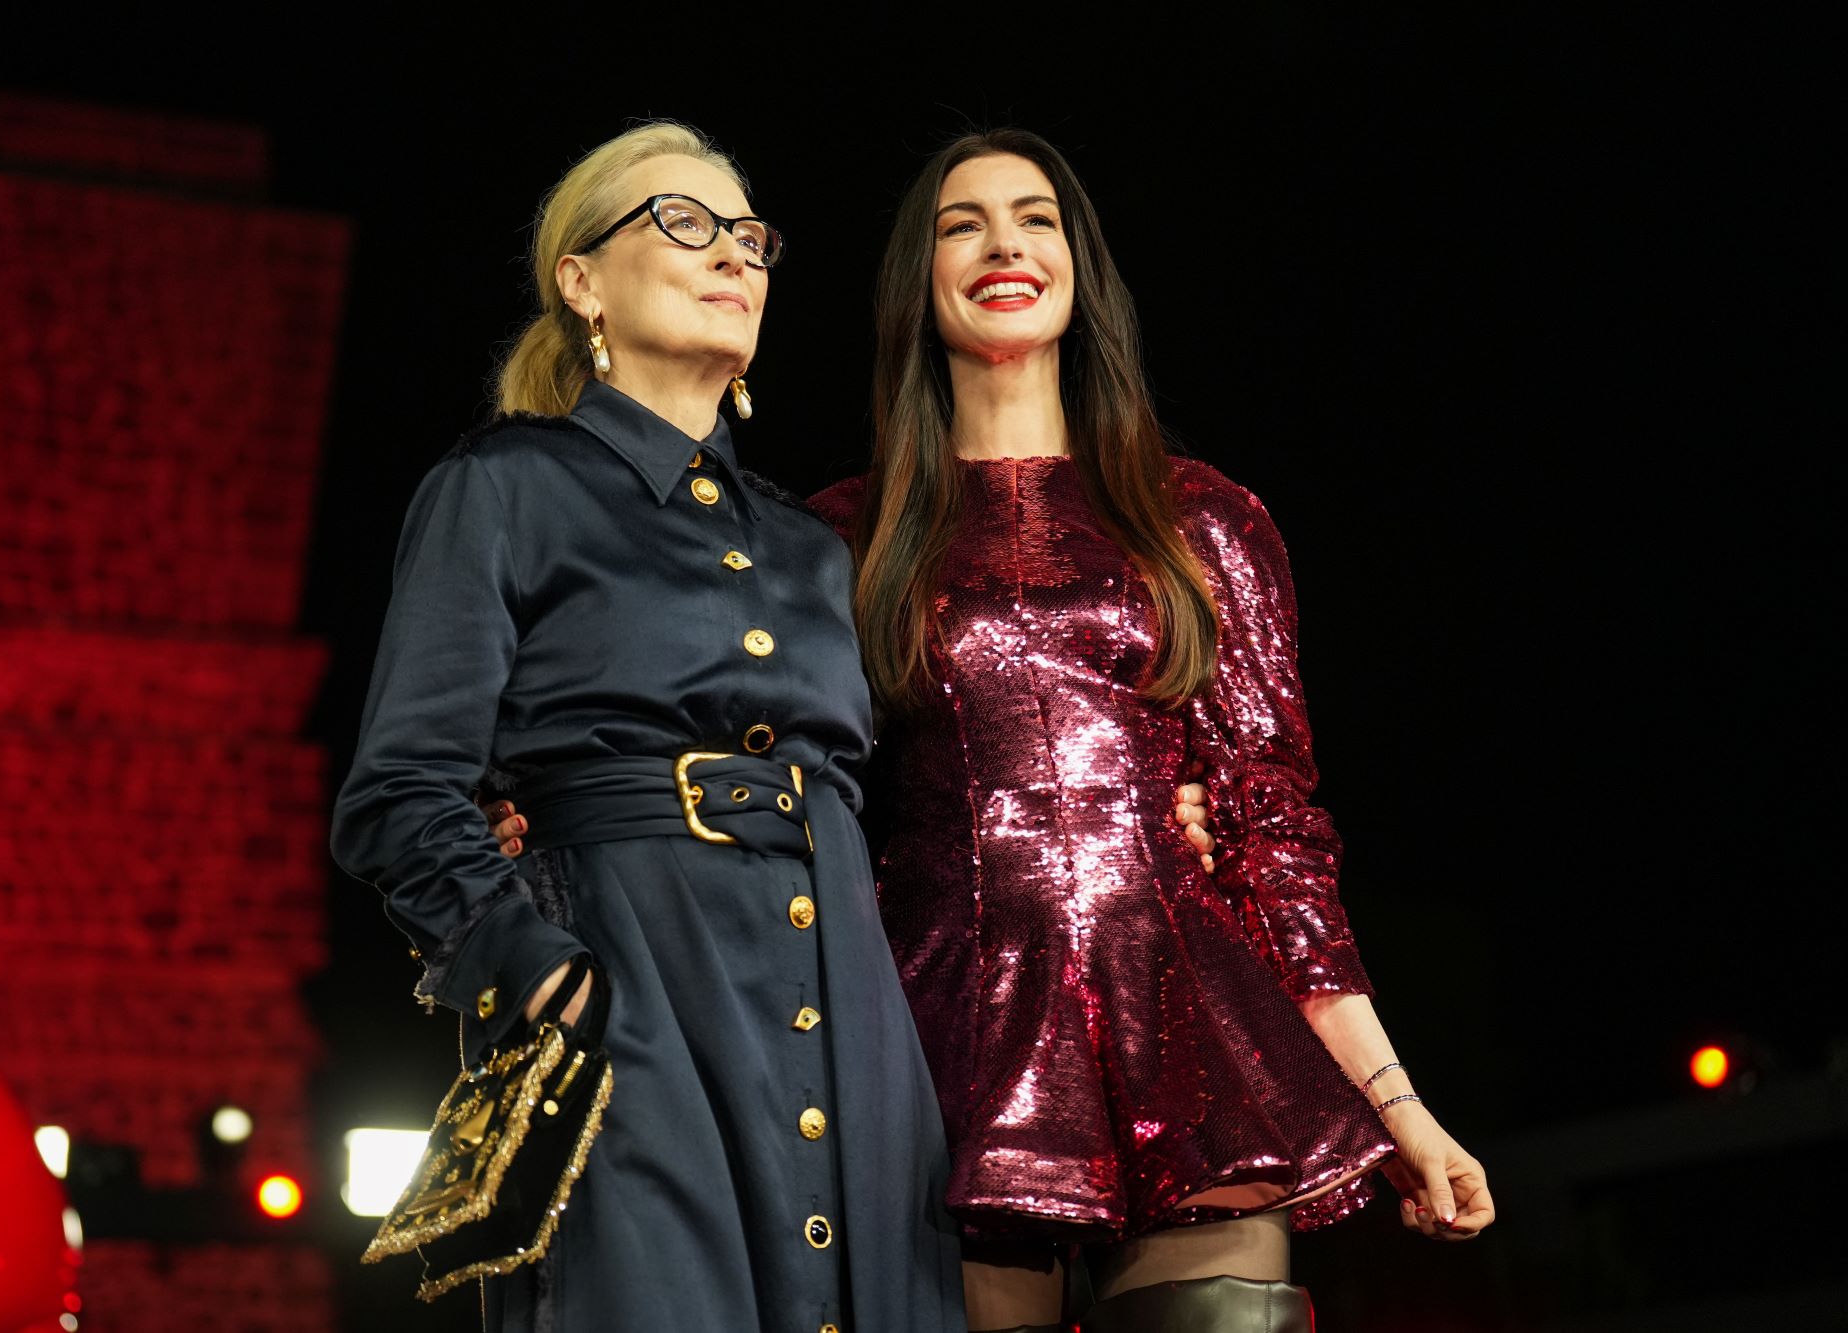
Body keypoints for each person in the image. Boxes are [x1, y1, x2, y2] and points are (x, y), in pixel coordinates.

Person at [802, 129, 1498, 1332]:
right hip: (939, 1060)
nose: (1004, 245)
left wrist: (1399, 1107)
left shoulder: (1198, 517)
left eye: (1035, 219)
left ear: (1080, 268)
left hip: (1190, 1045)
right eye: (962, 225)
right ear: (915, 279)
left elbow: (1273, 839)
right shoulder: (835, 542)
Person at [331, 122, 967, 1333]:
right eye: (683, 222)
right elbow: (398, 792)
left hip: (850, 1018)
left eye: (748, 237)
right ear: (582, 281)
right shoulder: (504, 487)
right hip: (633, 994)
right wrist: (540, 972)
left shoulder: (813, 547)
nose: (731, 253)